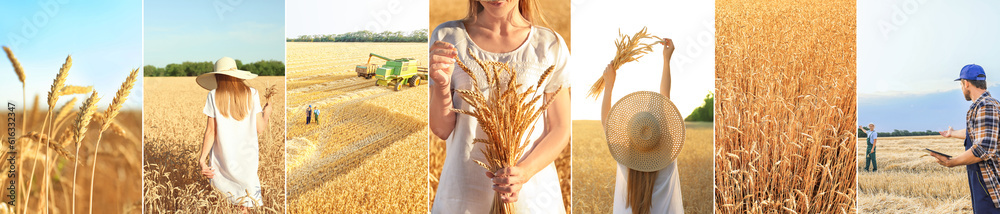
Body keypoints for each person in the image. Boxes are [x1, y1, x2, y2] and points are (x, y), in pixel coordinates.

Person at [428, 0, 571, 212]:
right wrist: (441, 86)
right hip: (464, 194)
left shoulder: (549, 45)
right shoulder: (448, 38)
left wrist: (523, 173)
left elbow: (560, 128)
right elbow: (441, 129)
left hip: (531, 197)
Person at [601, 38, 684, 213]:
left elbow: (606, 123)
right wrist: (666, 60)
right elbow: (665, 97)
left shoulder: (625, 160)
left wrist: (609, 85)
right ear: (660, 133)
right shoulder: (668, 158)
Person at [196, 57, 272, 213]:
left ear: (217, 76)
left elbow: (211, 131)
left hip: (222, 161)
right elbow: (260, 128)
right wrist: (267, 112)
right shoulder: (252, 93)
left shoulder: (213, 95)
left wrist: (202, 160)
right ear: (237, 74)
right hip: (247, 160)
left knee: (224, 205)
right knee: (243, 206)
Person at [931, 64, 1000, 213]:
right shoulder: (981, 106)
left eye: (961, 84)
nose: (962, 88)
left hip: (989, 182)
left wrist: (952, 162)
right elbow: (976, 132)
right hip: (980, 179)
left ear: (966, 83)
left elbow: (984, 148)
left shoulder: (986, 106)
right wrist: (952, 133)